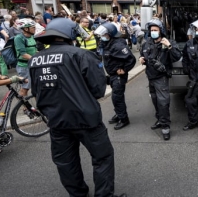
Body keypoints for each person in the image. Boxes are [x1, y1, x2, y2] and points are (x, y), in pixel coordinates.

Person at [30, 18, 126, 197]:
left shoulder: (35, 60)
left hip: (57, 121)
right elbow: (98, 89)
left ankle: (78, 194)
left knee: (66, 163)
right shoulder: (82, 55)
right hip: (86, 119)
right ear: (71, 34)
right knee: (102, 158)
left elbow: (36, 91)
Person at [139, 19, 181, 140]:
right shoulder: (147, 43)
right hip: (151, 77)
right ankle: (159, 119)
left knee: (163, 103)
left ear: (161, 31)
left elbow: (177, 57)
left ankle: (165, 127)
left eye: (155, 30)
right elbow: (144, 55)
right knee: (155, 100)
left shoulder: (168, 42)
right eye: (151, 30)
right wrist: (142, 59)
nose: (153, 32)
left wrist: (169, 46)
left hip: (161, 78)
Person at [95, 22, 136, 130]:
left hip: (118, 76)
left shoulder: (118, 45)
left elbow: (131, 59)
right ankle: (119, 113)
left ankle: (123, 119)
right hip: (112, 75)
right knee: (116, 98)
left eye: (104, 35)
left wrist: (124, 70)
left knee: (117, 98)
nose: (102, 37)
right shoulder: (107, 43)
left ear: (110, 34)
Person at [14, 18, 38, 97]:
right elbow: (23, 54)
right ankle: (25, 108)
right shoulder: (19, 38)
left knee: (36, 86)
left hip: (33, 64)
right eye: (32, 27)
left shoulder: (32, 36)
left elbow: (34, 50)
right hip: (24, 66)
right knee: (25, 87)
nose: (35, 28)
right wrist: (37, 60)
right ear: (25, 29)